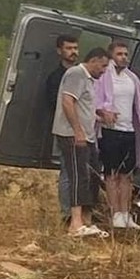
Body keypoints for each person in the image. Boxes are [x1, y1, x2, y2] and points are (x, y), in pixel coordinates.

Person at [95, 40, 140, 229]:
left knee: (127, 175)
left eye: (125, 54)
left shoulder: (132, 78)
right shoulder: (104, 76)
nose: (123, 57)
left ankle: (126, 213)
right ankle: (115, 213)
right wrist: (103, 113)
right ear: (111, 56)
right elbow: (96, 101)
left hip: (129, 130)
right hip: (110, 130)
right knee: (112, 174)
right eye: (119, 54)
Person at [53, 47, 111, 237]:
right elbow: (68, 102)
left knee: (92, 175)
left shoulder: (90, 80)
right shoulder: (76, 74)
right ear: (93, 60)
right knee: (78, 175)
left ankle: (87, 220)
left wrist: (99, 116)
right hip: (72, 134)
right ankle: (74, 223)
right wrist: (77, 131)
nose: (103, 71)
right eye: (102, 66)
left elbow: (84, 106)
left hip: (88, 135)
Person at [45, 33, 80, 219]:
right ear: (60, 51)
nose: (73, 52)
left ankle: (82, 212)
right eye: (69, 48)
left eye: (75, 48)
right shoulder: (55, 78)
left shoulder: (84, 75)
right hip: (65, 131)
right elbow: (54, 106)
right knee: (67, 171)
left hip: (85, 132)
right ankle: (66, 213)